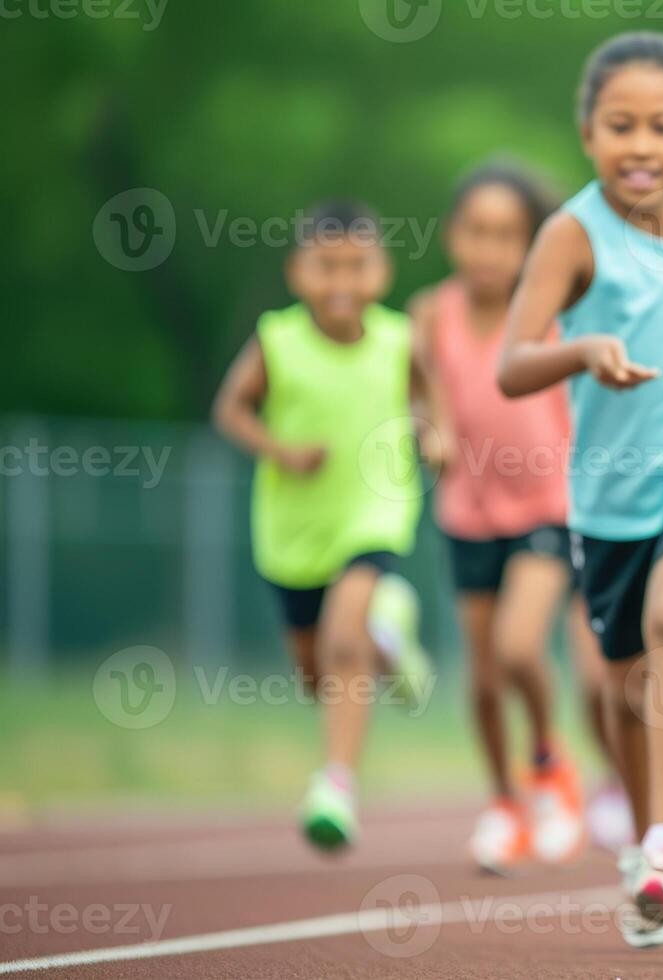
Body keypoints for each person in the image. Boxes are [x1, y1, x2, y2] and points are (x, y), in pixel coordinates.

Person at [496, 32, 663, 948]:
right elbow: (513, 363)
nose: (640, 145)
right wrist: (582, 351)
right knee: (619, 692)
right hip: (608, 496)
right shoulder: (570, 233)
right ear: (586, 133)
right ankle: (648, 846)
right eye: (620, 126)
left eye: (661, 126)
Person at [211, 200, 437, 852]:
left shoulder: (398, 339)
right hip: (292, 528)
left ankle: (335, 783)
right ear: (297, 272)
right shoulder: (277, 340)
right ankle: (388, 637)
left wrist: (434, 431)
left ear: (382, 271)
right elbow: (232, 409)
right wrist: (280, 451)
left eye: (357, 266)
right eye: (325, 266)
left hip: (374, 509)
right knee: (317, 671)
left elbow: (426, 393)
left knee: (343, 644)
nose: (342, 282)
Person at [412, 162, 613, 873]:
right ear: (451, 236)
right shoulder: (430, 314)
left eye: (505, 236)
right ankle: (503, 803)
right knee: (483, 676)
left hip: (547, 507)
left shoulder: (550, 313)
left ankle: (550, 763)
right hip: (468, 509)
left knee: (520, 647)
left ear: (529, 246)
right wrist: (426, 433)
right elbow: (422, 395)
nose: (487, 250)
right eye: (475, 232)